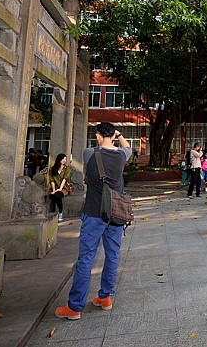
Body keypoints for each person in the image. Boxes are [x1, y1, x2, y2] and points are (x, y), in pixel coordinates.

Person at [55, 122, 131, 320]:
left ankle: (75, 307)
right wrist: (119, 135)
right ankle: (106, 297)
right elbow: (128, 147)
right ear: (113, 135)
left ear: (97, 135)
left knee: (86, 258)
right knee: (112, 255)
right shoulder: (122, 155)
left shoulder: (89, 153)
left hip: (93, 214)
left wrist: (111, 136)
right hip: (115, 214)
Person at [46, 153, 72, 222]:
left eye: (65, 159)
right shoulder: (52, 169)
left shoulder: (67, 168)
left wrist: (60, 188)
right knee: (52, 196)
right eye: (63, 159)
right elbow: (52, 180)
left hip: (64, 187)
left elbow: (65, 179)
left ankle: (60, 212)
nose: (64, 160)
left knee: (57, 195)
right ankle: (52, 213)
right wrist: (54, 190)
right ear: (59, 159)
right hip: (54, 187)